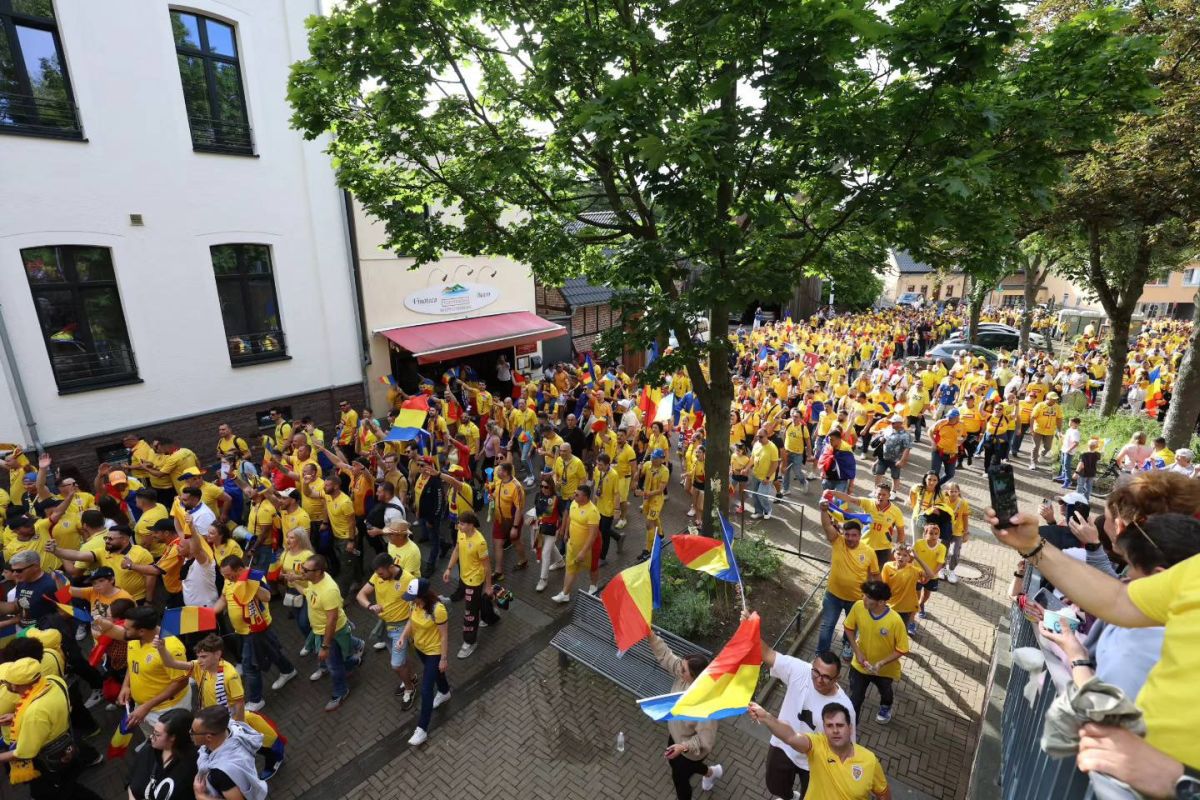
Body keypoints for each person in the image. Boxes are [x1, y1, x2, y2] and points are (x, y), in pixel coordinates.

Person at [984, 502, 1200, 778]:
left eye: (1131, 571)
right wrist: (1032, 545)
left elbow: (1105, 714)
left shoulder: (1143, 644)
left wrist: (1178, 783)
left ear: (1157, 576)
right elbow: (1117, 600)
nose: (1125, 579)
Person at [153, 633, 287, 782]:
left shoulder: (230, 675)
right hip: (214, 722)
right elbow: (171, 663)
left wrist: (238, 730)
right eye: (199, 656)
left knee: (252, 744)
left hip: (231, 722)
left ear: (217, 654)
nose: (200, 660)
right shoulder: (199, 666)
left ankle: (274, 758)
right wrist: (161, 649)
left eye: (204, 656)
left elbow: (239, 704)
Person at [757, 635, 854, 799]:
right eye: (816, 672)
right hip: (784, 745)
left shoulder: (844, 708)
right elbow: (767, 654)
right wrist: (749, 626)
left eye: (826, 677)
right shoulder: (800, 670)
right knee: (775, 785)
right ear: (812, 665)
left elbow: (846, 745)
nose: (819, 679)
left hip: (816, 761)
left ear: (837, 678)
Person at [0, 657, 104, 800]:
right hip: (66, 742)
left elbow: (23, 753)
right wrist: (16, 717)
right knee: (67, 787)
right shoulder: (54, 681)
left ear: (18, 685)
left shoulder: (34, 714)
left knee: (66, 791)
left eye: (10, 684)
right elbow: (50, 710)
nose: (9, 688)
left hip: (50, 758)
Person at [747, 701, 891, 800]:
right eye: (829, 725)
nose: (835, 730)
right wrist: (766, 717)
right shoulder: (817, 744)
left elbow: (883, 794)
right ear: (824, 728)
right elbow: (791, 736)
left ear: (850, 727)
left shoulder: (869, 761)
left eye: (840, 725)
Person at [647, 630, 722, 799]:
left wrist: (682, 747)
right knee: (674, 763)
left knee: (679, 779)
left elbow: (705, 742)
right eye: (681, 666)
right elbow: (666, 656)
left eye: (684, 669)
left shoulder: (704, 707)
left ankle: (710, 773)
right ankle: (711, 772)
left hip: (690, 750)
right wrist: (650, 636)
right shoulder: (683, 676)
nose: (679, 669)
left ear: (694, 678)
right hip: (676, 737)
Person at [214, 555, 297, 710]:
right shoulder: (229, 580)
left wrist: (250, 585)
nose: (226, 578)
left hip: (255, 628)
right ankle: (288, 670)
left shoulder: (254, 577)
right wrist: (211, 612)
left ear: (239, 570)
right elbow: (223, 599)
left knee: (250, 665)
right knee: (272, 651)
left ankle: (256, 700)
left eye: (228, 575)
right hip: (241, 630)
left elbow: (267, 596)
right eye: (224, 575)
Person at [815, 502, 880, 660]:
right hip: (833, 596)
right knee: (827, 626)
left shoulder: (869, 552)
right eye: (847, 535)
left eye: (854, 535)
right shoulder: (838, 541)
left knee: (851, 627)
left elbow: (875, 575)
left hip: (856, 599)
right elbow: (826, 526)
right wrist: (823, 510)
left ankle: (847, 644)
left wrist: (877, 596)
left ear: (859, 535)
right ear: (843, 534)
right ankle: (821, 654)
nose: (850, 538)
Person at [301, 554, 365, 712]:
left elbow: (332, 620)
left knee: (333, 666)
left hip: (331, 632)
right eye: (302, 569)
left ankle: (340, 692)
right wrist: (293, 580)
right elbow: (308, 592)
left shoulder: (328, 591)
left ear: (318, 572)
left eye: (305, 570)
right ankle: (353, 658)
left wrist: (325, 646)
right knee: (338, 659)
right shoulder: (314, 581)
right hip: (321, 630)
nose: (302, 573)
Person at [118, 607, 192, 739]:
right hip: (143, 708)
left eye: (128, 629)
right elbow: (134, 663)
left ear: (141, 631)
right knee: (153, 739)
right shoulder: (134, 639)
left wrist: (147, 706)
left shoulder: (171, 648)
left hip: (166, 710)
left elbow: (181, 682)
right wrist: (126, 685)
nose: (124, 631)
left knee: (174, 742)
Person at [844, 580, 909, 724]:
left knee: (886, 692)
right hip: (860, 665)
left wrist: (881, 663)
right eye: (864, 595)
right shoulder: (859, 606)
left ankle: (886, 706)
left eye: (868, 597)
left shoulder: (895, 621)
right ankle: (851, 730)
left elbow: (902, 649)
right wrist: (857, 651)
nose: (863, 599)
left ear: (881, 602)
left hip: (884, 670)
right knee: (855, 699)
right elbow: (848, 628)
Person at [358, 552, 418, 707]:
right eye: (377, 573)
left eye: (381, 573)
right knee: (401, 659)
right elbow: (361, 595)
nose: (379, 576)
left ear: (391, 567)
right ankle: (411, 677)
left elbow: (416, 609)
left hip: (401, 626)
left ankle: (410, 689)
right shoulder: (378, 575)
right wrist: (370, 605)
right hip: (385, 625)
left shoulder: (408, 580)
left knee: (396, 665)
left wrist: (405, 634)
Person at [398, 578, 451, 746]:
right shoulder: (414, 604)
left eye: (413, 597)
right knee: (436, 675)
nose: (410, 600)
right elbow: (410, 621)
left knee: (427, 690)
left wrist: (443, 658)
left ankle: (422, 729)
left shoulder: (438, 609)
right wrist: (403, 637)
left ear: (422, 596)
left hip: (434, 652)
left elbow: (444, 636)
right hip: (419, 648)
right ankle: (444, 692)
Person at [441, 511, 498, 659]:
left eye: (462, 523)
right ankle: (490, 617)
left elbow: (487, 566)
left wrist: (488, 586)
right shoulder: (461, 533)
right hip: (464, 578)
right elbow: (457, 550)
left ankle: (469, 642)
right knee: (478, 603)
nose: (459, 525)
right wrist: (448, 568)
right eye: (459, 523)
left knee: (470, 613)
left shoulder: (480, 542)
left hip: (475, 580)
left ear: (471, 525)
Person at [190, 705, 268, 800]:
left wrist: (201, 796)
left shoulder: (221, 773)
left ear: (209, 737)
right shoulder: (232, 729)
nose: (190, 733)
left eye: (193, 732)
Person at [127, 707, 198, 800]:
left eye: (157, 734)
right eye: (153, 732)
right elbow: (130, 781)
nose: (151, 737)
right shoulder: (148, 749)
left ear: (173, 737)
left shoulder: (190, 764)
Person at [552, 485, 601, 603]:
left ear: (585, 497)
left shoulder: (592, 511)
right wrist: (566, 533)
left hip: (590, 547)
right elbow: (570, 518)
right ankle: (565, 593)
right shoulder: (574, 503)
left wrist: (584, 551)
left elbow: (593, 535)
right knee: (570, 567)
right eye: (575, 493)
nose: (574, 495)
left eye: (577, 494)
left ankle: (594, 586)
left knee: (592, 568)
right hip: (573, 544)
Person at [636, 448, 670, 562]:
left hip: (656, 500)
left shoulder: (665, 471)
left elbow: (660, 490)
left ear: (661, 459)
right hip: (646, 499)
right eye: (652, 457)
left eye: (656, 458)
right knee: (654, 517)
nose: (653, 459)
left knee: (649, 523)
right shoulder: (647, 465)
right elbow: (638, 477)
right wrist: (638, 470)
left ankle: (648, 550)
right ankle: (660, 534)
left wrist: (645, 493)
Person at [748, 427, 780, 520]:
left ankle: (767, 509)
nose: (759, 439)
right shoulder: (756, 444)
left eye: (761, 437)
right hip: (756, 474)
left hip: (766, 477)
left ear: (767, 436)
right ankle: (758, 512)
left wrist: (767, 477)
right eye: (757, 436)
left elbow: (775, 464)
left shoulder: (772, 447)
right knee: (755, 494)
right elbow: (752, 458)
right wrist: (746, 469)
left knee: (761, 495)